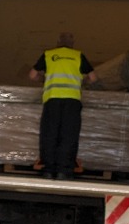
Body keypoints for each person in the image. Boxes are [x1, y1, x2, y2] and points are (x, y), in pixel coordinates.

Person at [28, 31, 95, 179]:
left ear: (58, 42)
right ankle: (63, 171)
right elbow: (93, 77)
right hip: (72, 102)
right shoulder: (78, 56)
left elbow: (32, 75)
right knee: (68, 136)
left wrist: (43, 80)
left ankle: (48, 170)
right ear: (73, 44)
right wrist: (82, 83)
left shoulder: (48, 55)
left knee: (50, 135)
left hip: (52, 101)